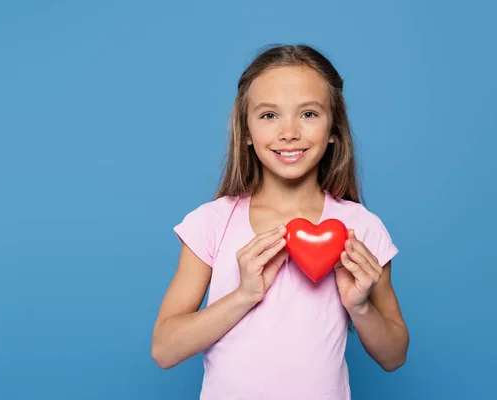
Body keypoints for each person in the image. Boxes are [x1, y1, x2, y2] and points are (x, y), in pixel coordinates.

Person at [151, 44, 409, 399]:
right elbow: (164, 350)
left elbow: (394, 356)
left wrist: (360, 306)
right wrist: (244, 296)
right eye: (269, 115)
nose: (289, 132)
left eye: (308, 114)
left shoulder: (361, 227)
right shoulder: (212, 223)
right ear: (245, 131)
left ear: (334, 128)